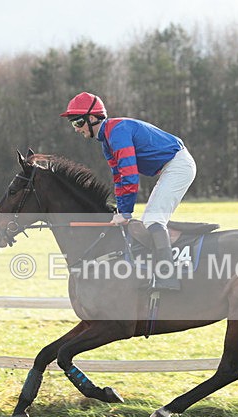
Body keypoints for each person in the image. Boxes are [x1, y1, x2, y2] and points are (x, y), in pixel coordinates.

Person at [61, 91, 196, 291]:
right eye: (73, 123)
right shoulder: (107, 141)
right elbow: (119, 178)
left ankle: (168, 278)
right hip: (171, 167)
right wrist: (120, 210)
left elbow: (130, 176)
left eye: (78, 122)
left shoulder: (117, 133)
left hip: (179, 166)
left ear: (92, 118)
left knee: (153, 220)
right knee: (149, 220)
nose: (76, 128)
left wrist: (125, 213)